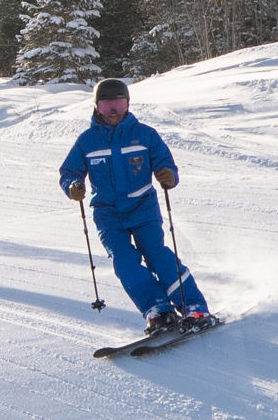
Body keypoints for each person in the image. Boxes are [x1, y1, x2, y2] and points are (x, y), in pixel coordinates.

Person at [60, 78, 213, 333]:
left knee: (157, 254)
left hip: (143, 209)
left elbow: (164, 162)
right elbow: (69, 171)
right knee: (125, 262)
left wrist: (168, 175)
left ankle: (193, 306)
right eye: (107, 103)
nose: (113, 109)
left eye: (118, 103)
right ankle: (158, 310)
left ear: (127, 104)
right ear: (97, 106)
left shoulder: (145, 134)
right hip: (108, 215)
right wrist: (73, 185)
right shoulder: (87, 141)